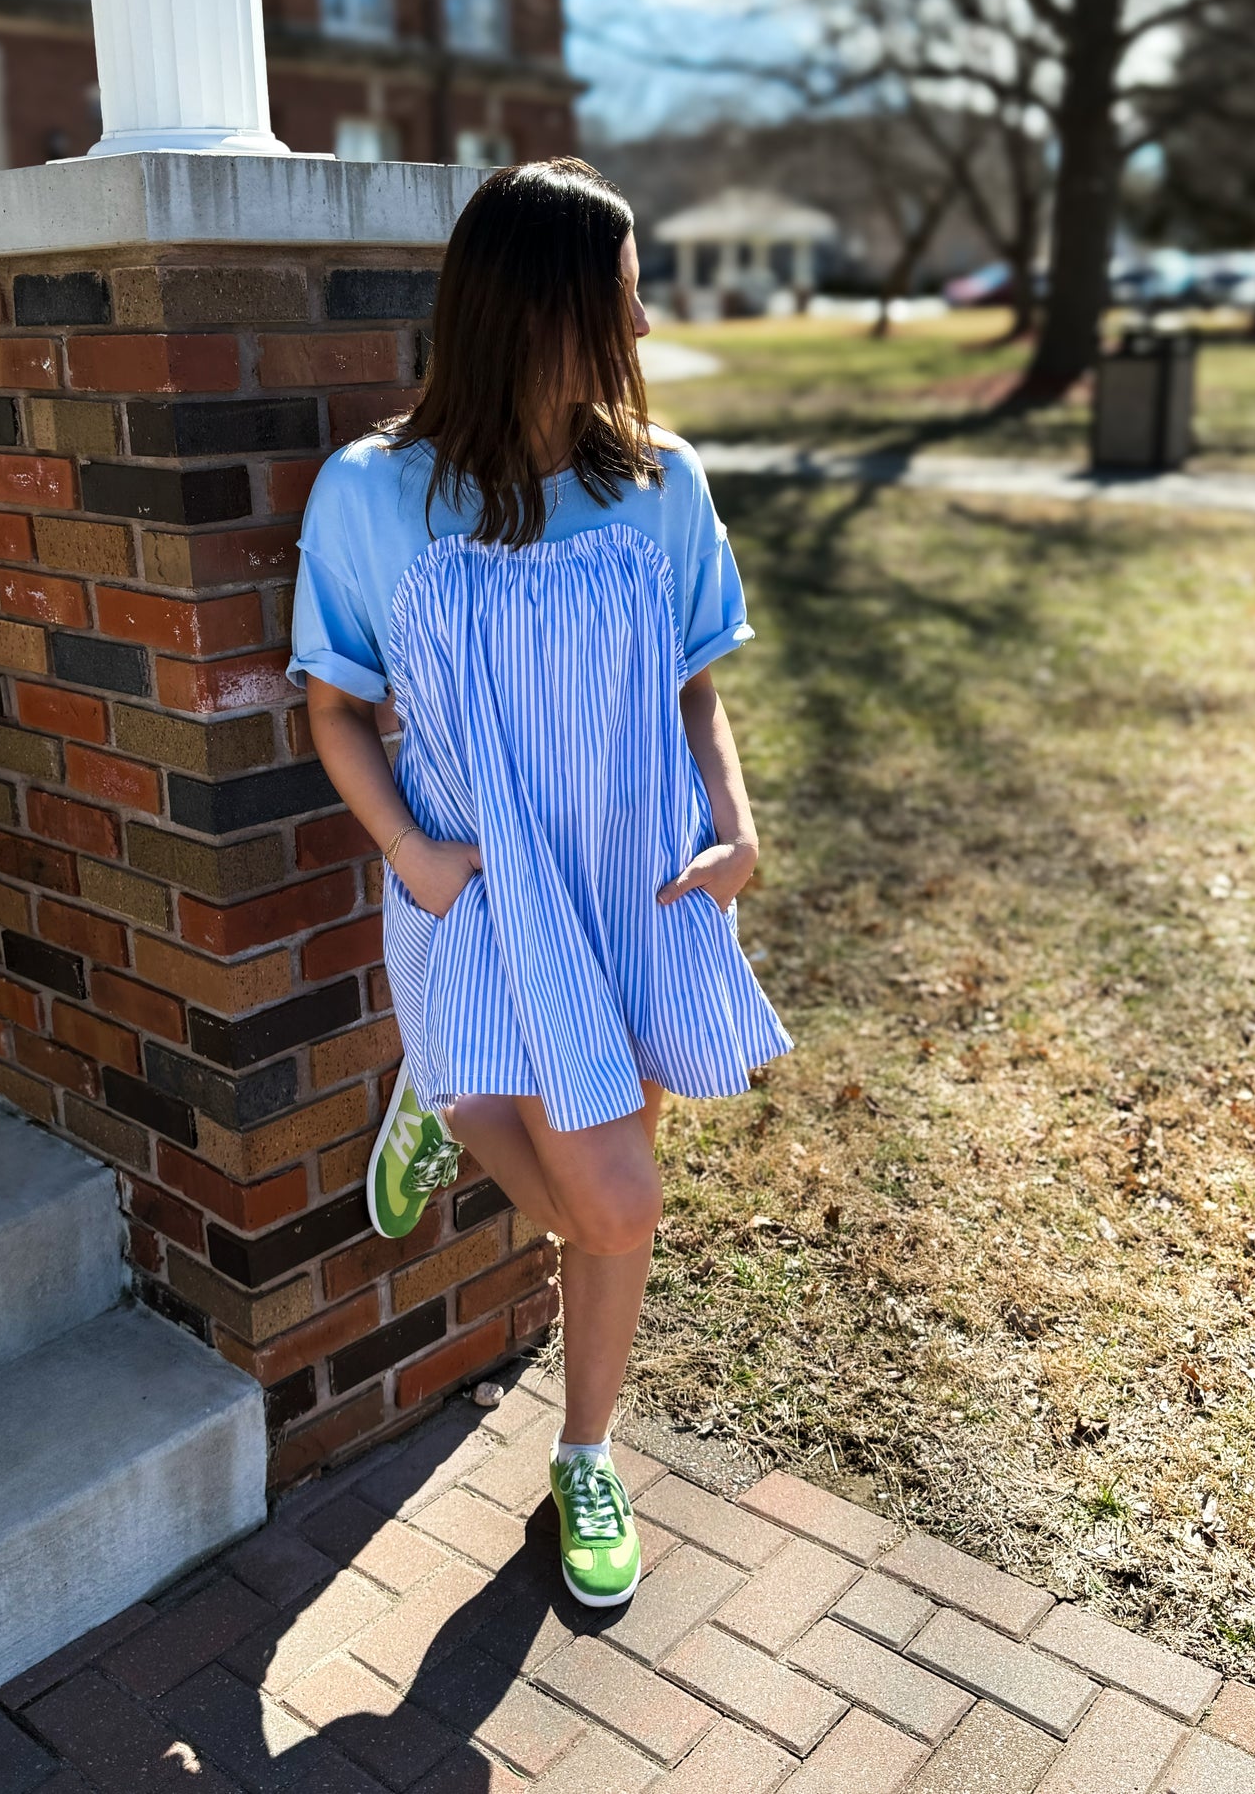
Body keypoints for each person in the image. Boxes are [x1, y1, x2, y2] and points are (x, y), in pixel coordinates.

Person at [287, 157, 791, 1609]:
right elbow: (331, 707)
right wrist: (416, 860)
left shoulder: (659, 483)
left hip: (633, 890)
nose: (638, 331)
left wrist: (735, 828)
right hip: (481, 892)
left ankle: (584, 1454)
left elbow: (696, 692)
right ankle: (453, 1096)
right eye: (620, 302)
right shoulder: (375, 496)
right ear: (540, 312)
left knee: (611, 1186)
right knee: (615, 1206)